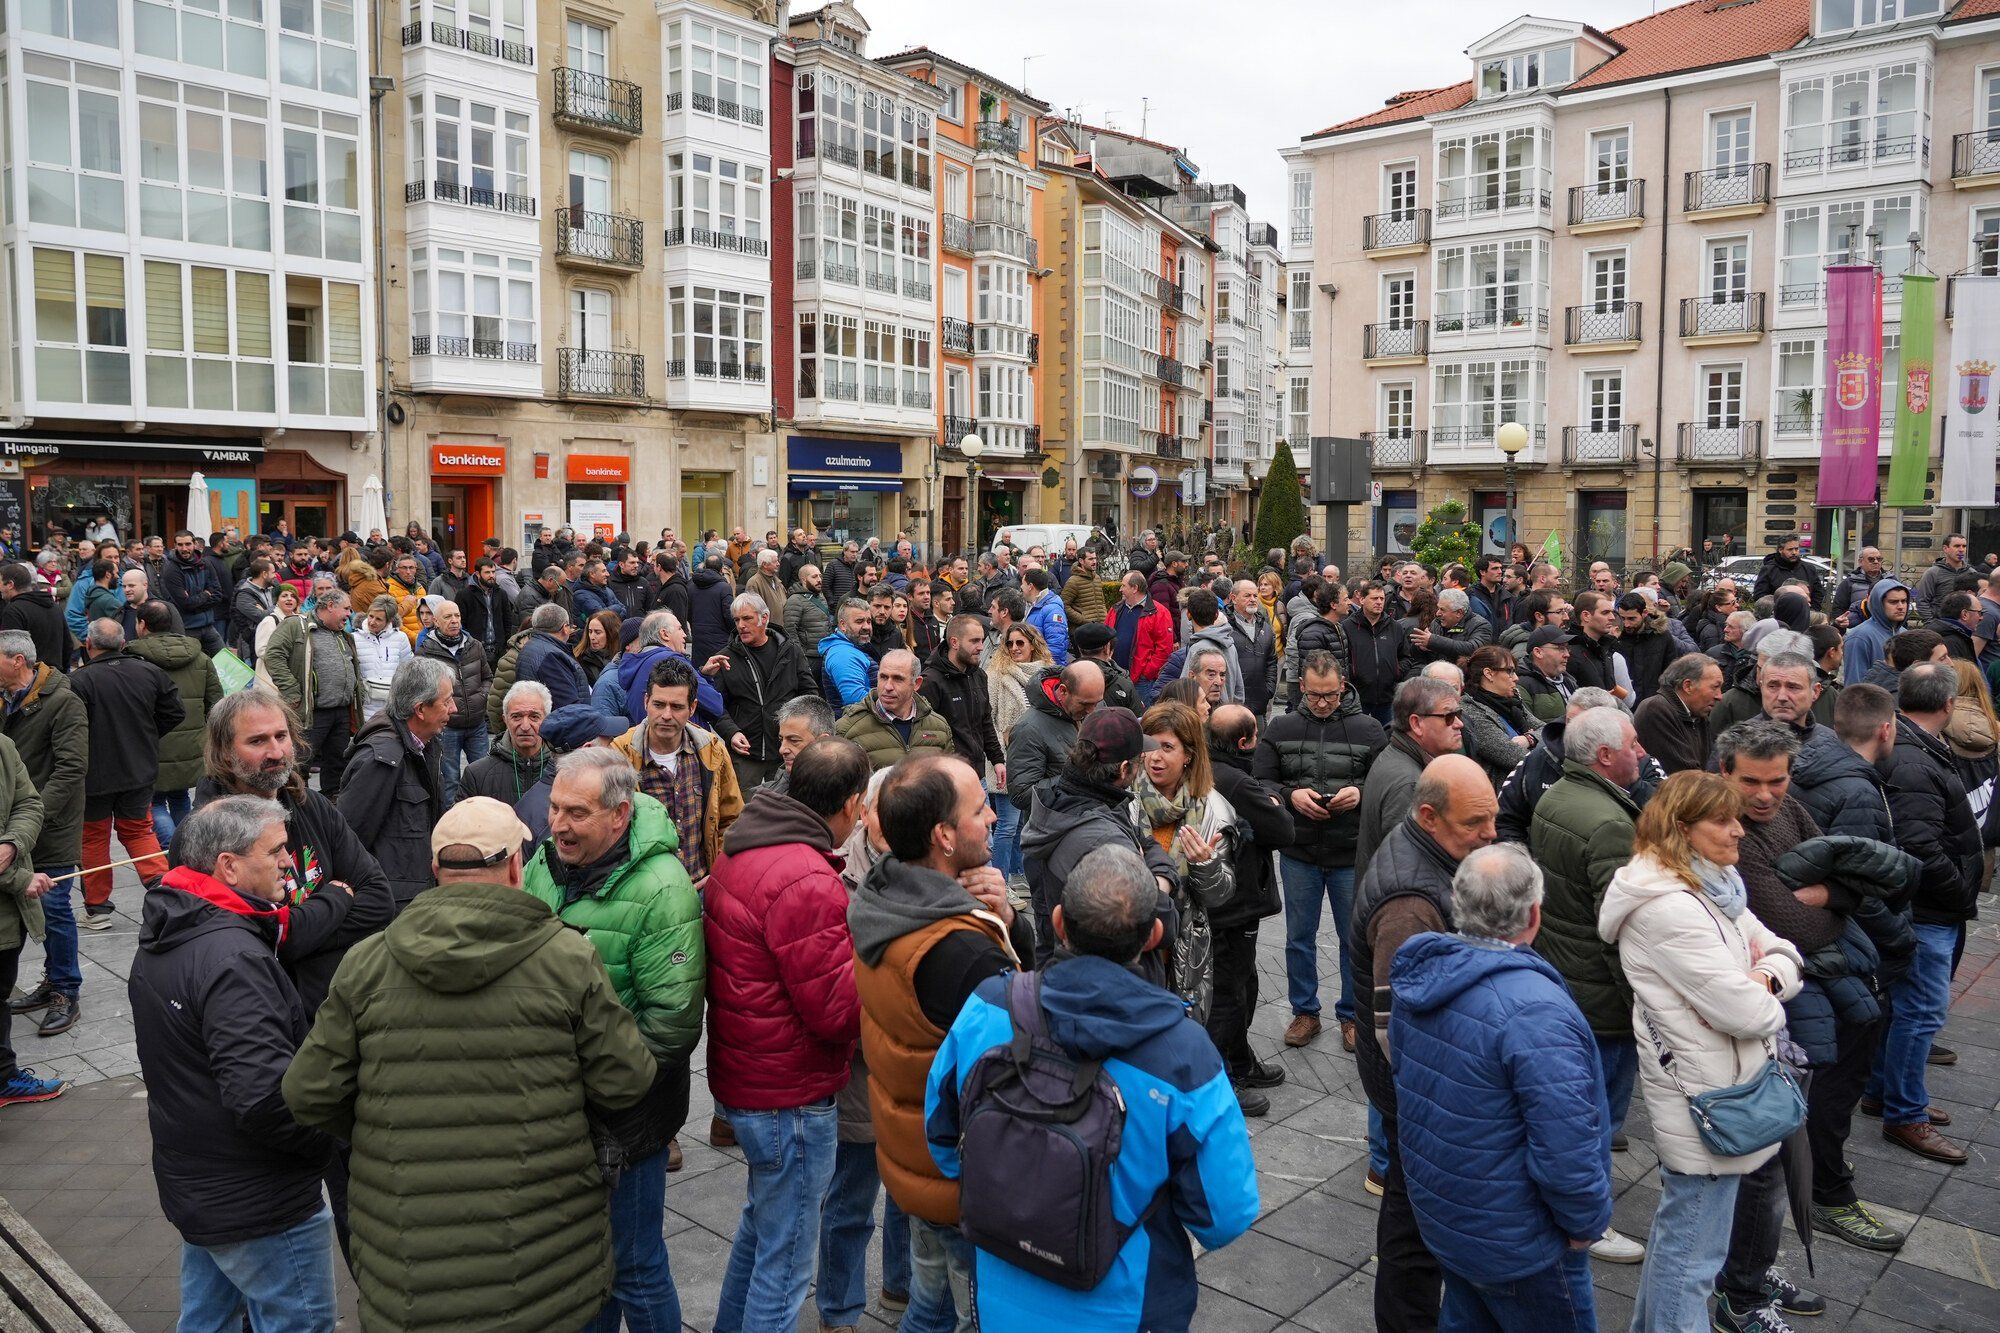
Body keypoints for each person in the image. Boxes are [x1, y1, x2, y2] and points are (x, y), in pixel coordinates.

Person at [282, 796, 656, 1333]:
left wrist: (378, 1122)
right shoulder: (567, 958)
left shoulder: (365, 963)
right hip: (542, 1258)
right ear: (513, 868)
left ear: (434, 871)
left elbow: (308, 1093)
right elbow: (626, 1080)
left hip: (409, 1266)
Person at [925, 843, 1259, 1330]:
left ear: (1058, 922)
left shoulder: (990, 1005)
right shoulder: (1183, 1055)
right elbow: (1224, 1214)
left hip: (1000, 1290)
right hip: (1127, 1304)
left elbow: (941, 1137)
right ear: (1155, 937)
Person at [1599, 771, 1805, 1333]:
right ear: (1681, 828)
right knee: (1694, 1258)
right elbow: (1749, 1011)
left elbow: (1784, 949)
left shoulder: (1712, 884)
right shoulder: (1670, 907)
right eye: (1724, 819)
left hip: (1723, 1087)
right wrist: (1766, 983)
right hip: (1706, 1098)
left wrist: (1762, 975)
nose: (1740, 830)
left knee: (1682, 1243)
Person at [130, 797, 341, 1332]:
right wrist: (330, 1139)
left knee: (207, 1321)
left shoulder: (171, 929)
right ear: (228, 865)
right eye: (275, 851)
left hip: (204, 1187)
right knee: (302, 1322)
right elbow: (264, 1098)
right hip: (261, 1200)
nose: (291, 862)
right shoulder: (234, 958)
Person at [848, 754, 1038, 1331]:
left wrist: (998, 913)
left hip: (914, 1159)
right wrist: (1009, 929)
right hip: (962, 1178)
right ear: (944, 836)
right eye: (980, 808)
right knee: (971, 1314)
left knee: (927, 1308)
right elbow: (1031, 1039)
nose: (993, 817)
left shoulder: (882, 896)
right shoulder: (960, 950)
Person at [1390, 844, 1613, 1333]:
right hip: (1520, 1241)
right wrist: (1584, 1223)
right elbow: (1565, 1144)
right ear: (1534, 913)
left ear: (1457, 902)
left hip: (1450, 1219)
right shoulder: (1535, 1010)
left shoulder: (1423, 977)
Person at [522, 748, 706, 1331]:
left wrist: (600, 1089)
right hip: (561, 1108)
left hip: (628, 1116)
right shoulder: (544, 864)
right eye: (554, 808)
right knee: (583, 1268)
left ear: (620, 816)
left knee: (634, 1265)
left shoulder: (662, 887)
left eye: (576, 813)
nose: (557, 825)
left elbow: (672, 1024)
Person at [704, 738, 873, 1333]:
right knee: (787, 1263)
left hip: (752, 1076)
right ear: (852, 804)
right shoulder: (806, 876)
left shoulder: (749, 845)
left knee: (761, 1231)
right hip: (789, 1093)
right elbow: (836, 1012)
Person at [1350, 755, 1497, 1332]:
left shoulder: (1426, 851)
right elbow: (1396, 1031)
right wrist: (1444, 1100)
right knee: (1414, 1226)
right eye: (1476, 824)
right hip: (1415, 1096)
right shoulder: (1410, 902)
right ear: (1430, 815)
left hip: (1415, 1091)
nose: (1491, 834)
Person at [1528, 704, 1650, 1247]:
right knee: (1597, 1116)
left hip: (1564, 976)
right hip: (1601, 999)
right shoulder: (1609, 825)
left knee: (1573, 1107)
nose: (1642, 753)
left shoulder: (1557, 795)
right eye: (1633, 744)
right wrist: (1641, 1005)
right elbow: (1618, 930)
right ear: (1605, 756)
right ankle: (1589, 1221)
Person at [1873, 662, 1981, 1165]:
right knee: (1919, 1013)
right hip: (1929, 908)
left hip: (1926, 905)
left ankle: (1887, 1092)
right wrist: (1960, 890)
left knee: (1903, 1010)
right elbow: (1919, 844)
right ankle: (1905, 1113)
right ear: (1948, 704)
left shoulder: (1913, 748)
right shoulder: (1916, 761)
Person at [1255, 651, 1386, 1053]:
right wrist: (1290, 795)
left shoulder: (1369, 729)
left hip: (1350, 851)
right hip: (1299, 850)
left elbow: (1385, 782)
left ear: (1343, 688)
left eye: (1330, 695)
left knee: (1354, 938)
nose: (1323, 703)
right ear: (1301, 689)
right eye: (1314, 695)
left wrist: (1360, 794)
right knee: (1299, 936)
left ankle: (1351, 1014)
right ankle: (1305, 1011)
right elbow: (1260, 782)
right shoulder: (1280, 728)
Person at [0, 631, 87, 1039]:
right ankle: (51, 980)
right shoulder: (5, 699)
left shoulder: (63, 702)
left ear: (18, 661)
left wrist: (33, 819)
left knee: (53, 904)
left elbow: (71, 769)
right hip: (14, 822)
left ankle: (65, 989)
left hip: (50, 823)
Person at [1127, 701, 1234, 1029]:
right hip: (1131, 940)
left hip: (1184, 946)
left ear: (1189, 754)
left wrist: (1206, 865)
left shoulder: (1214, 809)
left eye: (1167, 747)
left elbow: (1221, 896)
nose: (1155, 757)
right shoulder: (1123, 798)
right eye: (1149, 746)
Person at [72, 619, 184, 929]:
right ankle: (165, 891)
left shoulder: (80, 680)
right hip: (139, 767)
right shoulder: (148, 672)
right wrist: (147, 736)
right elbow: (174, 713)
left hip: (95, 774)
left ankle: (96, 909)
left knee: (93, 838)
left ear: (89, 645)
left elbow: (72, 730)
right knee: (138, 831)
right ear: (123, 643)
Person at [611, 655, 744, 887]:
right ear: (646, 702)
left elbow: (732, 819)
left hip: (703, 887)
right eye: (659, 704)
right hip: (646, 894)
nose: (666, 715)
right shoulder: (620, 756)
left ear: (692, 708)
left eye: (677, 707)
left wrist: (719, 871)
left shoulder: (712, 752)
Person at [336, 657, 454, 910]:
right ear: (420, 709)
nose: (454, 709)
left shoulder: (425, 744)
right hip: (392, 904)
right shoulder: (382, 759)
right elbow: (349, 838)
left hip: (418, 893)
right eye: (446, 702)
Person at [127, 600, 223, 849]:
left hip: (150, 744)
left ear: (142, 625)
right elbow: (216, 702)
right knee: (180, 796)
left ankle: (173, 849)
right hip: (190, 746)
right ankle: (189, 846)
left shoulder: (133, 659)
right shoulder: (201, 658)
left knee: (155, 802)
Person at [1354, 676, 1466, 885]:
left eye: (1458, 714)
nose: (1459, 723)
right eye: (1449, 716)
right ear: (1416, 723)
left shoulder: (1398, 755)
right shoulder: (1409, 783)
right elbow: (1407, 869)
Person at [263, 588, 361, 799]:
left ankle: (332, 802)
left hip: (341, 711)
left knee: (338, 761)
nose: (349, 614)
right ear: (330, 606)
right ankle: (298, 803)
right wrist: (291, 692)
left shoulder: (343, 635)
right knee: (301, 762)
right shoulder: (295, 625)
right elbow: (273, 656)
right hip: (311, 712)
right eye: (346, 608)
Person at [986, 623, 1052, 883]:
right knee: (1007, 824)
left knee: (1026, 824)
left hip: (1038, 760)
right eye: (1009, 644)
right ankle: (999, 880)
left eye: (1020, 643)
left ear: (1033, 645)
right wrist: (1000, 755)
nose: (1014, 648)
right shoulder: (996, 675)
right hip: (1007, 759)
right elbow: (988, 719)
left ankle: (1017, 873)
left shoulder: (1046, 675)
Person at [1003, 658, 1104, 824]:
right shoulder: (1029, 729)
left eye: (1097, 703)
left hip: (1092, 822)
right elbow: (1021, 795)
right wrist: (1078, 776)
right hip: (1052, 833)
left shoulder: (1091, 705)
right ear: (1063, 691)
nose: (1092, 711)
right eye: (1085, 704)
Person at [415, 598, 491, 805]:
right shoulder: (426, 651)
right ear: (436, 622)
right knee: (450, 780)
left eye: (457, 615)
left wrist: (481, 698)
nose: (454, 620)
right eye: (448, 617)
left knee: (484, 774)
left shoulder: (474, 645)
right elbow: (422, 689)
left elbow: (487, 678)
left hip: (476, 725)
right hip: (446, 727)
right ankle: (451, 824)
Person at [836, 648, 955, 771]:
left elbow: (948, 779)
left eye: (898, 679)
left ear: (917, 683)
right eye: (883, 677)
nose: (888, 687)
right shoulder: (847, 729)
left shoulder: (939, 727)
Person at [922, 613, 1003, 790]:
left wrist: (997, 759)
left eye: (982, 640)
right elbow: (924, 735)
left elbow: (985, 721)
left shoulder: (979, 675)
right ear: (954, 643)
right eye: (974, 641)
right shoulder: (931, 681)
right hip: (948, 779)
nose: (981, 647)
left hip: (977, 775)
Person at [463, 680, 556, 809]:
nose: (525, 726)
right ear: (505, 720)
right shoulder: (477, 775)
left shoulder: (565, 771)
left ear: (547, 719)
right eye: (516, 717)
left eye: (534, 717)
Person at [1457, 644, 1535, 791]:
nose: (1516, 678)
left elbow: (1547, 730)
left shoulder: (1512, 702)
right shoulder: (1470, 710)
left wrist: (1529, 739)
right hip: (1501, 796)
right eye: (1510, 671)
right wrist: (1539, 741)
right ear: (1489, 673)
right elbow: (1512, 755)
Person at [1636, 652, 1726, 774]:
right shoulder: (1655, 710)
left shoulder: (1698, 715)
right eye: (1715, 687)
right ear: (1688, 686)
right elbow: (1685, 775)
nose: (1719, 696)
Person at [1347, 581, 1411, 724]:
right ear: (1362, 599)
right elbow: (1343, 658)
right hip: (1358, 697)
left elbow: (1405, 657)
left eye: (1382, 599)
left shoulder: (1395, 627)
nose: (1379, 602)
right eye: (1374, 598)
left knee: (1386, 737)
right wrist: (1353, 674)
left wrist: (1396, 672)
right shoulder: (1348, 627)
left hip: (1387, 698)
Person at [157, 531, 229, 655]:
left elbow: (217, 595)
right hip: (187, 629)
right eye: (180, 545)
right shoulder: (172, 570)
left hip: (209, 626)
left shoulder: (205, 563)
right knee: (194, 668)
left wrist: (196, 602)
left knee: (226, 664)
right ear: (175, 546)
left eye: (188, 544)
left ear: (195, 544)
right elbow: (186, 604)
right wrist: (206, 594)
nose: (184, 548)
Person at [1108, 570, 1174, 702]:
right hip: (1115, 677)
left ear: (1135, 588)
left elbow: (1164, 649)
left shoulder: (1159, 613)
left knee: (1141, 719)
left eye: (1123, 586)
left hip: (1141, 682)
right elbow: (1105, 636)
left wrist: (1146, 673)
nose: (1120, 589)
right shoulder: (1115, 609)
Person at [353, 595, 412, 721]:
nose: (372, 622)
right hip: (366, 707)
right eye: (371, 616)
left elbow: (407, 670)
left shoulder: (401, 638)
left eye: (379, 619)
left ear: (389, 621)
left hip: (393, 706)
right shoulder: (354, 638)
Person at [1224, 579, 1279, 715]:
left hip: (1259, 703)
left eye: (1255, 595)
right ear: (1233, 598)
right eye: (1247, 596)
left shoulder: (1265, 627)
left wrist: (1269, 689)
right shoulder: (1224, 626)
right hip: (1231, 705)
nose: (1253, 599)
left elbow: (1271, 661)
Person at [1841, 577, 1910, 684]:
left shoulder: (1906, 634)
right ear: (1879, 604)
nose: (1901, 606)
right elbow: (1854, 686)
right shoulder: (1860, 637)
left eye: (1904, 601)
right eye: (1893, 602)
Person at [819, 598, 879, 708]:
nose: (866, 627)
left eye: (869, 621)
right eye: (859, 621)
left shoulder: (853, 647)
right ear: (843, 625)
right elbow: (855, 700)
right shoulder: (842, 654)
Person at [784, 560, 833, 681]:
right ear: (804, 580)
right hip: (809, 657)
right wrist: (800, 656)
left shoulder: (820, 596)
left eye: (820, 576)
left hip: (824, 653)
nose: (819, 580)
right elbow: (790, 630)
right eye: (814, 577)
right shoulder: (795, 600)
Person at [1913, 532, 1970, 623]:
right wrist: (1931, 623)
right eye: (1957, 546)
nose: (1961, 550)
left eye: (1964, 546)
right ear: (1945, 549)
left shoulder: (1971, 573)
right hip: (1940, 626)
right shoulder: (1933, 573)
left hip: (1965, 627)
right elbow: (1922, 601)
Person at [1021, 567, 1071, 666]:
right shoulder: (1032, 605)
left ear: (1030, 586)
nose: (1021, 587)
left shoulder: (1052, 610)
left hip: (1045, 672)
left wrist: (1047, 673)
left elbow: (1056, 647)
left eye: (1023, 584)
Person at [1830, 547, 1887, 629]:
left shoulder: (1890, 580)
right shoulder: (1849, 582)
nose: (1876, 562)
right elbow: (1838, 609)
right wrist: (1842, 625)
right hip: (1856, 629)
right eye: (1871, 559)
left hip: (1885, 628)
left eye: (1879, 559)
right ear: (1860, 562)